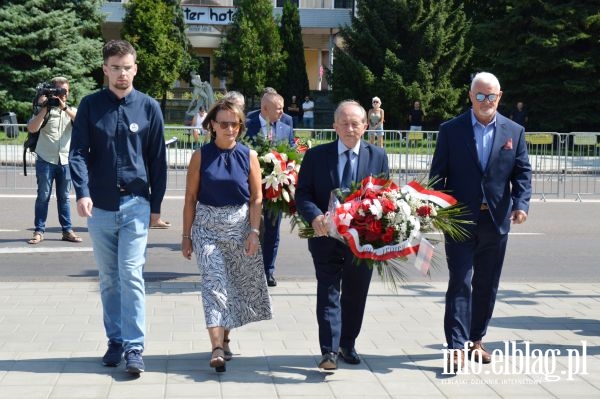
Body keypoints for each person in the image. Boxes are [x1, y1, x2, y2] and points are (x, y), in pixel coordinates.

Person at [69, 40, 168, 375]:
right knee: (110, 278)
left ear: (135, 69)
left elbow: (157, 159)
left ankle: (134, 347)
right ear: (105, 69)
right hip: (100, 207)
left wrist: (156, 205)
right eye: (115, 67)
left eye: (127, 67)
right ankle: (115, 340)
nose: (122, 74)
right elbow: (78, 153)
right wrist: (82, 192)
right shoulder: (90, 106)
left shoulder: (149, 107)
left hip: (137, 204)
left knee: (130, 272)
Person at [429, 72, 532, 371]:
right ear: (470, 96)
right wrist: (437, 209)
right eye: (480, 95)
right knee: (460, 281)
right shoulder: (451, 130)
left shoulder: (515, 131)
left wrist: (521, 204)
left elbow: (522, 173)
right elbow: (439, 175)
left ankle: (477, 339)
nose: (486, 101)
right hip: (460, 220)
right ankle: (456, 346)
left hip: (496, 220)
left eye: (491, 96)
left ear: (499, 96)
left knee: (487, 283)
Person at [295, 100, 389, 370]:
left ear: (365, 126)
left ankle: (347, 343)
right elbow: (303, 194)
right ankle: (329, 351)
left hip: (364, 241)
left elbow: (385, 197)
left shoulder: (378, 156)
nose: (350, 128)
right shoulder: (316, 156)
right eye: (344, 123)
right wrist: (314, 216)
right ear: (334, 126)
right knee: (328, 291)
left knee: (356, 293)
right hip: (326, 238)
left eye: (355, 123)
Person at [181, 99, 272, 373]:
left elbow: (257, 198)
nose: (230, 128)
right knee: (214, 284)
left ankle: (226, 337)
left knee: (233, 286)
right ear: (212, 125)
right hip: (207, 227)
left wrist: (254, 231)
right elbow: (190, 198)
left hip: (240, 228)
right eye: (224, 123)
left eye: (235, 123)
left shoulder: (249, 156)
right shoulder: (200, 156)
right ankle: (216, 347)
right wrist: (186, 235)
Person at [245, 91, 295, 287]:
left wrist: (289, 171)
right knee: (251, 230)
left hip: (276, 189)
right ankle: (249, 270)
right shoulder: (247, 124)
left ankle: (268, 272)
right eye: (278, 109)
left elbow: (291, 152)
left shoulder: (286, 125)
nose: (282, 113)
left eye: (282, 109)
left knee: (273, 231)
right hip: (251, 189)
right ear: (265, 109)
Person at [26, 76, 82, 245]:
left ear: (68, 92)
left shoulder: (72, 110)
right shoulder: (44, 109)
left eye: (64, 91)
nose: (61, 94)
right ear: (52, 91)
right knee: (43, 196)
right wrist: (45, 107)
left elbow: (81, 122)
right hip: (46, 160)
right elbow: (32, 128)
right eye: (58, 90)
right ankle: (39, 231)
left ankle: (67, 230)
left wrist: (64, 107)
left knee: (64, 198)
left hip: (65, 160)